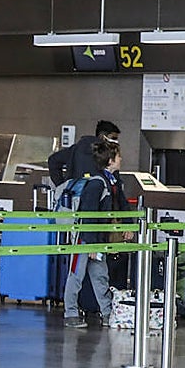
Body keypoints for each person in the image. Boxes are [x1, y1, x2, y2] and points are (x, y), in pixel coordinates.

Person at [63, 140, 132, 328]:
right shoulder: (96, 184)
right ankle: (70, 313)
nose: (121, 159)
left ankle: (109, 313)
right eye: (118, 156)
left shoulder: (113, 181)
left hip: (98, 239)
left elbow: (123, 205)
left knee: (100, 276)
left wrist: (129, 225)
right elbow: (88, 216)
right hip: (85, 239)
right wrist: (92, 245)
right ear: (110, 160)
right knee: (76, 275)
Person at [47, 119, 120, 186]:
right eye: (113, 138)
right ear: (102, 137)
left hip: (74, 194)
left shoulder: (76, 149)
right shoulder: (108, 154)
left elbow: (53, 160)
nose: (115, 141)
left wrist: (62, 185)